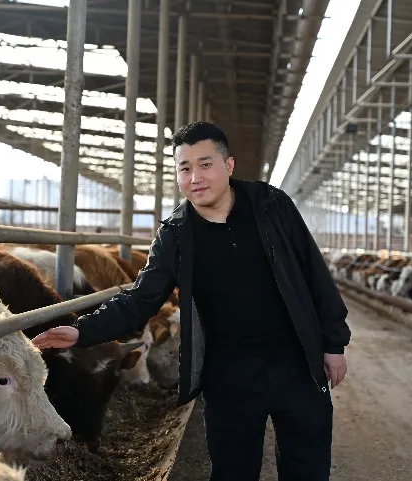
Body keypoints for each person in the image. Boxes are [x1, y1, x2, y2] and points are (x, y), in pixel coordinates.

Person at [32, 121, 351, 481]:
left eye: (205, 164)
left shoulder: (271, 206)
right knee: (232, 472)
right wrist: (81, 331)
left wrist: (333, 344)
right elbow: (140, 299)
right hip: (228, 372)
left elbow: (314, 274)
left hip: (297, 363)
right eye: (184, 168)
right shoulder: (175, 234)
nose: (195, 177)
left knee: (307, 469)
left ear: (228, 165)